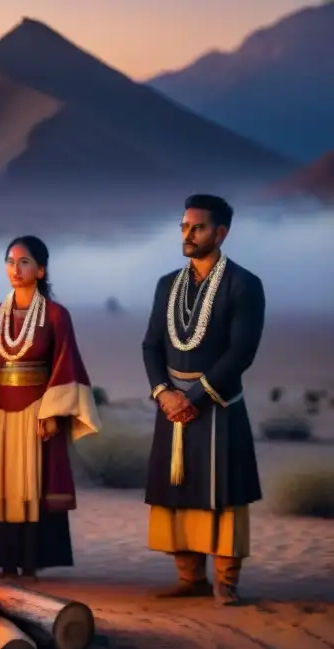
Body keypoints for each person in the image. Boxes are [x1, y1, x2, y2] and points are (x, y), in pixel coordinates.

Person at [0, 236, 101, 579]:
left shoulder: (56, 315)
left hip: (37, 414)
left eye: (24, 262)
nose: (15, 269)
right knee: (3, 487)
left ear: (41, 269)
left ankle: (32, 558)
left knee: (34, 485)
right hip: (0, 414)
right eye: (10, 261)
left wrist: (51, 413)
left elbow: (66, 364)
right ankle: (5, 560)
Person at [142, 194, 265, 606]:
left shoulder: (245, 285)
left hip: (219, 405)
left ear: (221, 232)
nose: (188, 234)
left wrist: (195, 398)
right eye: (184, 226)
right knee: (178, 493)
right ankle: (189, 578)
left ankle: (225, 583)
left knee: (225, 494)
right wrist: (164, 393)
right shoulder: (165, 285)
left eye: (197, 227)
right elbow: (151, 346)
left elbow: (241, 353)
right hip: (172, 404)